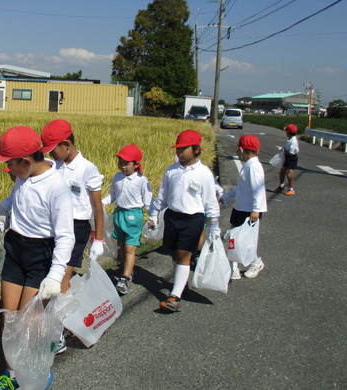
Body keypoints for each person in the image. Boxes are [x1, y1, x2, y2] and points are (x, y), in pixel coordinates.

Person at [0, 126, 74, 390]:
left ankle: (35, 373)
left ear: (25, 161)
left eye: (10, 164)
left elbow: (66, 236)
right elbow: (14, 198)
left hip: (41, 255)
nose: (8, 169)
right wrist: (0, 212)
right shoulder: (22, 177)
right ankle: (10, 376)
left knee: (28, 322)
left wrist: (55, 275)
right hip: (16, 249)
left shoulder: (56, 187)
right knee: (8, 318)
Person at [40, 119, 104, 353]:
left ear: (66, 144)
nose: (52, 154)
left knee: (61, 280)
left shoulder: (88, 169)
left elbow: (97, 207)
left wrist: (98, 239)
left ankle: (57, 336)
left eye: (53, 149)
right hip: (55, 227)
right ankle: (63, 323)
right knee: (52, 276)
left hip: (77, 230)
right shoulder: (53, 166)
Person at [148, 130, 220, 312]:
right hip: (172, 217)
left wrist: (214, 225)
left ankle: (174, 296)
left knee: (184, 254)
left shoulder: (203, 173)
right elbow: (162, 195)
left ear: (196, 150)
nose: (180, 153)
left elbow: (210, 201)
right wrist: (154, 214)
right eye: (178, 149)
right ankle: (181, 285)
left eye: (184, 149)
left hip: (192, 219)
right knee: (174, 253)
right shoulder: (171, 171)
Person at [102, 144, 152, 295]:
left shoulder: (141, 180)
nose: (123, 166)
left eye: (126, 163)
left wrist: (152, 217)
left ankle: (125, 278)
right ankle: (127, 268)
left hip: (134, 216)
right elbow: (113, 195)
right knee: (122, 245)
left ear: (136, 164)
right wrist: (101, 203)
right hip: (119, 214)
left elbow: (148, 200)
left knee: (130, 247)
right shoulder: (117, 177)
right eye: (120, 163)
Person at [220, 135, 267, 279]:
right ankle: (234, 267)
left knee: (243, 240)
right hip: (241, 208)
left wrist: (256, 210)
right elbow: (242, 188)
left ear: (241, 150)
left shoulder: (253, 167)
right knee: (236, 239)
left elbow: (258, 190)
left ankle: (254, 263)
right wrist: (227, 196)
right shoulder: (248, 166)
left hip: (249, 210)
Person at [274, 124, 299, 195]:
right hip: (287, 157)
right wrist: (284, 149)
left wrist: (282, 150)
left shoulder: (293, 141)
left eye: (286, 131)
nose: (285, 132)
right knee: (282, 172)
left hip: (292, 158)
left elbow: (291, 153)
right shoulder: (289, 139)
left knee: (289, 175)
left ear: (288, 132)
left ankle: (291, 189)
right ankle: (282, 185)